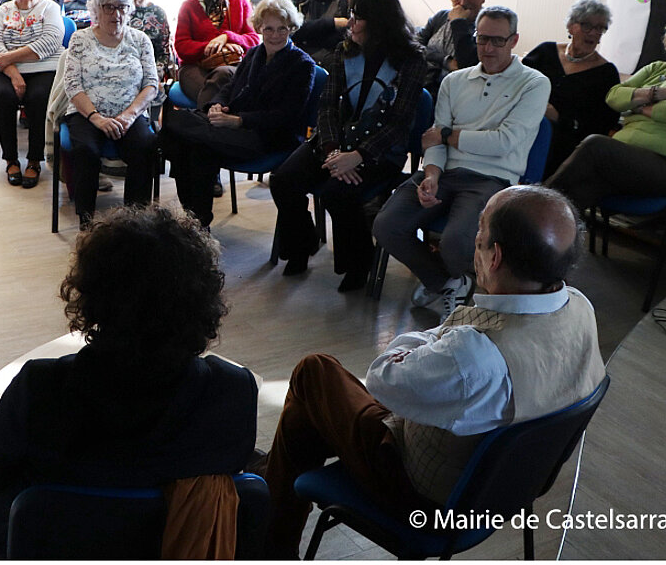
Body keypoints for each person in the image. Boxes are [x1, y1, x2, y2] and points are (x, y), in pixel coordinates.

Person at [259, 185, 605, 558]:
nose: (474, 241)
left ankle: (268, 533)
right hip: (510, 488)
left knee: (315, 373)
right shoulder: (580, 308)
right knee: (307, 421)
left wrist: (439, 335)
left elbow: (382, 379)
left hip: (427, 499)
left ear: (495, 258)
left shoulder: (474, 355)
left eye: (480, 231)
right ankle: (269, 493)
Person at [0, 203, 257, 558]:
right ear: (202, 297)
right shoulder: (232, 390)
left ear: (91, 292)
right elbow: (230, 466)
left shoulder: (40, 386)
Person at [372, 6, 549, 319]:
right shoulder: (454, 81)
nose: (488, 48)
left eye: (498, 41)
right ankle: (447, 282)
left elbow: (503, 143)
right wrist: (432, 175)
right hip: (447, 172)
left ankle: (452, 282)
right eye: (482, 40)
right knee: (387, 225)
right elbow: (434, 140)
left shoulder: (534, 83)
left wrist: (447, 135)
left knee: (457, 242)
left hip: (493, 178)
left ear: (514, 40)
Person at [271, 0, 427, 285]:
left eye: (357, 17)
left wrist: (357, 156)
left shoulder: (411, 61)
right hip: (335, 142)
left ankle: (359, 263)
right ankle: (303, 244)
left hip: (380, 149)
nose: (350, 23)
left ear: (378, 23)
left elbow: (399, 122)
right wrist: (332, 151)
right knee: (283, 179)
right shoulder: (346, 51)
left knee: (337, 192)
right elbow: (328, 105)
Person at [547, 6, 666, 209]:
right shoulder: (657, 68)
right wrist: (655, 94)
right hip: (629, 160)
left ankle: (530, 203)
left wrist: (638, 107)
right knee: (579, 192)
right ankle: (538, 232)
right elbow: (614, 96)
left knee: (595, 145)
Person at [161, 0, 314, 229]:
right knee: (194, 148)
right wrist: (218, 105)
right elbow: (230, 87)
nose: (274, 35)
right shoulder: (254, 54)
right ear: (260, 28)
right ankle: (196, 225)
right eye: (269, 28)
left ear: (291, 28)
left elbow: (286, 116)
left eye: (282, 29)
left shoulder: (302, 64)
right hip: (237, 131)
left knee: (179, 128)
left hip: (269, 137)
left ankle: (195, 226)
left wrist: (238, 120)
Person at [61, 0, 160, 226]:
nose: (116, 14)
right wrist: (96, 117)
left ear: (130, 10)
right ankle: (87, 222)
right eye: (108, 7)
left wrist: (129, 115)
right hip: (87, 114)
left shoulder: (140, 40)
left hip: (130, 114)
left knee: (144, 147)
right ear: (96, 10)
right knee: (86, 150)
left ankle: (135, 222)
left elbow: (151, 84)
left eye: (122, 7)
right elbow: (72, 85)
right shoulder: (79, 39)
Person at [522, 0, 621, 178]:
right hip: (523, 124)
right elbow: (517, 82)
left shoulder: (606, 73)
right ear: (570, 26)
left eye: (600, 28)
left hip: (566, 143)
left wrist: (560, 117)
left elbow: (601, 125)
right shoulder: (545, 52)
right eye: (587, 25)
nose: (593, 33)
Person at [0, 0, 65, 188]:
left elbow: (51, 41)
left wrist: (10, 57)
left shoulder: (49, 8)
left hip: (44, 66)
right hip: (7, 70)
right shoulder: (3, 11)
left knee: (39, 97)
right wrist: (13, 73)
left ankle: (34, 160)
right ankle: (11, 160)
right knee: (3, 97)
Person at [173, 0, 260, 110]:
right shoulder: (188, 6)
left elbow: (255, 40)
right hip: (194, 67)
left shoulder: (239, 1)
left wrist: (228, 37)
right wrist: (211, 46)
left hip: (232, 67)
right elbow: (181, 46)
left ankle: (202, 125)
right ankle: (218, 123)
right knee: (221, 94)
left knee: (223, 75)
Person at [417, 0, 485, 97]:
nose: (463, 2)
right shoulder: (441, 17)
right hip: (423, 86)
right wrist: (445, 61)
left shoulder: (487, 26)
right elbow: (415, 45)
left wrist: (458, 23)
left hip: (459, 94)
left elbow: (467, 64)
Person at [125, 0, 174, 86]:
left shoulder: (158, 14)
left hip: (145, 72)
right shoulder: (117, 9)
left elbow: (163, 54)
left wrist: (154, 75)